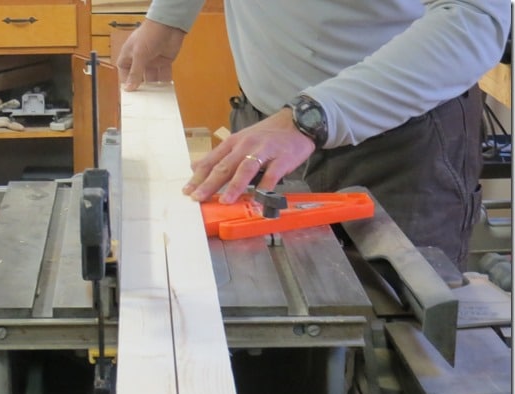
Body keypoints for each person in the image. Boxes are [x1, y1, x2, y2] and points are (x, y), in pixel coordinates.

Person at [117, 0, 511, 270]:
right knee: (270, 318)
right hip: (268, 133)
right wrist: (169, 16)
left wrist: (309, 119)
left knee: (394, 345)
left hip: (398, 146)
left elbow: (474, 20)